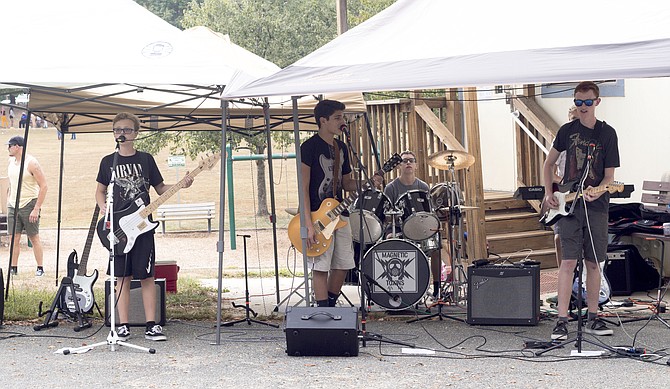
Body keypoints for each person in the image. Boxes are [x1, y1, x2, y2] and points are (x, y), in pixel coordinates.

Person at [95, 112, 193, 341]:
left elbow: (160, 188)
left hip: (142, 227)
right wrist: (104, 209)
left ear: (136, 133)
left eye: (127, 129)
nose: (122, 133)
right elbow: (100, 190)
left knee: (147, 276)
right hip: (118, 228)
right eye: (118, 129)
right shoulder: (108, 162)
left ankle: (152, 325)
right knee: (122, 277)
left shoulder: (146, 159)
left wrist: (182, 185)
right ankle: (123, 326)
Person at [542, 81, 620, 340]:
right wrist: (548, 193)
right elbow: (549, 164)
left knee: (594, 263)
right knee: (567, 262)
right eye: (578, 102)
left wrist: (597, 189)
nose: (583, 107)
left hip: (596, 206)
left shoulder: (607, 134)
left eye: (587, 102)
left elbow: (610, 178)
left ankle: (594, 317)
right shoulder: (566, 131)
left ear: (597, 102)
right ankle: (562, 320)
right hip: (569, 205)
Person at [300, 99, 382, 308]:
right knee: (321, 265)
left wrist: (368, 182)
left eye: (343, 117)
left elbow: (347, 183)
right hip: (319, 214)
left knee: (344, 264)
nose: (342, 121)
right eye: (337, 118)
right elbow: (303, 187)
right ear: (323, 121)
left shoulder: (342, 148)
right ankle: (322, 311)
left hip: (341, 213)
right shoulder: (309, 147)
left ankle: (329, 304)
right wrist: (308, 224)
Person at [383, 150, 447, 298]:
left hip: (420, 226)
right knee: (390, 240)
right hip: (398, 226)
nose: (408, 163)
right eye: (404, 161)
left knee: (437, 247)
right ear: (399, 166)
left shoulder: (423, 186)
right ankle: (398, 287)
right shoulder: (391, 188)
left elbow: (428, 212)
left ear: (416, 165)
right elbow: (386, 216)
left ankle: (436, 289)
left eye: (411, 160)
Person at [6, 136, 48, 276]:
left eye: (10, 146)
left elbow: (44, 186)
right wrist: (9, 199)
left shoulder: (31, 163)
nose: (8, 148)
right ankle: (14, 268)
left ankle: (40, 267)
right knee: (13, 238)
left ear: (18, 147)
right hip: (13, 205)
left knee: (33, 237)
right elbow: (12, 183)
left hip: (29, 204)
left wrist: (36, 208)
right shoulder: (11, 161)